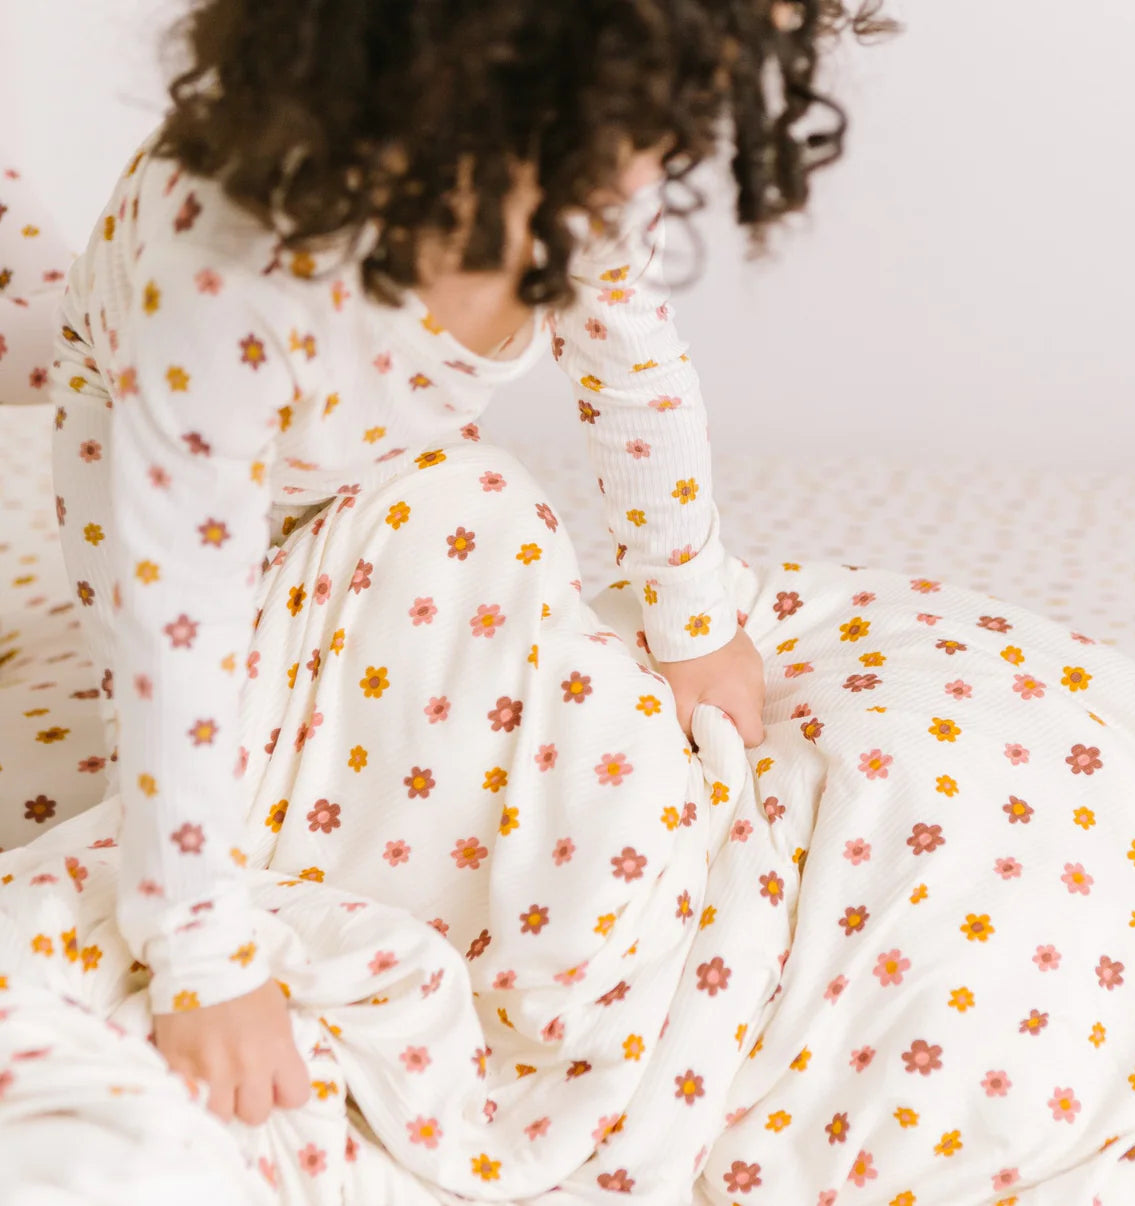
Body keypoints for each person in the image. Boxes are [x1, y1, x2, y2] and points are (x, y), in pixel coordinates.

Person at [46, 0, 888, 1132]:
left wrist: (692, 615)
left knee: (488, 523)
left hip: (365, 464)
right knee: (216, 778)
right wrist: (200, 958)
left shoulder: (573, 181)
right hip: (166, 470)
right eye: (670, 89)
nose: (685, 138)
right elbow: (174, 629)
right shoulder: (233, 274)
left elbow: (632, 366)